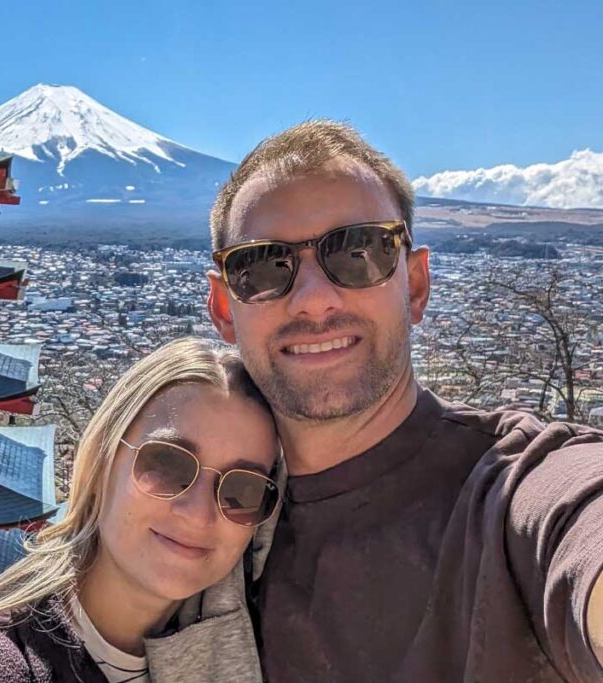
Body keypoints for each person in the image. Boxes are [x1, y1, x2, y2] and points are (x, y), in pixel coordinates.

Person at [159, 120, 603, 682]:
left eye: (358, 252)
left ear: (415, 286)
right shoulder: (197, 515)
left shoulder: (508, 496)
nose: (314, 300)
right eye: (264, 266)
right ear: (224, 309)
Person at [0, 337, 283, 682]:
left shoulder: (252, 647)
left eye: (243, 489)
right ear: (102, 462)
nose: (198, 512)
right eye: (168, 464)